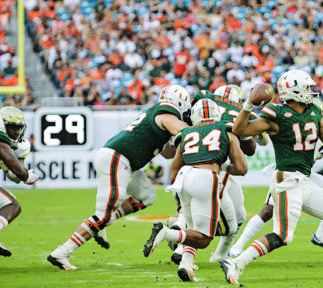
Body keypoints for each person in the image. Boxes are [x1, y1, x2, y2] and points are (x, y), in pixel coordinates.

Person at [221, 69, 323, 286]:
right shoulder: (276, 113)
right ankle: (236, 262)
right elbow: (240, 130)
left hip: (304, 181)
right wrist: (248, 105)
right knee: (282, 235)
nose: (311, 91)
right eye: (307, 87)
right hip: (287, 180)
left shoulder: (315, 112)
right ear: (295, 90)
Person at [47, 85, 191, 270]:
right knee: (102, 215)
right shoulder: (165, 115)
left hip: (125, 163)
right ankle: (62, 252)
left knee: (147, 196)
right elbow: (186, 132)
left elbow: (168, 154)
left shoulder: (157, 116)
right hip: (118, 159)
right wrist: (197, 126)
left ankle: (106, 221)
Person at [227, 99, 323, 257]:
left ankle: (321, 235)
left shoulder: (321, 126)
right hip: (288, 174)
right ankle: (238, 248)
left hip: (306, 175)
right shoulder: (291, 121)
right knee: (268, 212)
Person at [143, 98, 247, 281]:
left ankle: (186, 265)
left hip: (184, 178)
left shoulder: (187, 132)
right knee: (205, 237)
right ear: (217, 113)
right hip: (206, 177)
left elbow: (175, 166)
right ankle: (166, 233)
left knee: (193, 227)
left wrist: (179, 189)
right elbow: (242, 169)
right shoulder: (226, 130)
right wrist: (222, 167)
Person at [169, 85, 257, 265]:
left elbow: (187, 118)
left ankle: (180, 232)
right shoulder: (237, 113)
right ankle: (215, 254)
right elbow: (250, 152)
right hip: (216, 169)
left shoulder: (203, 101)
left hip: (189, 169)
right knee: (232, 221)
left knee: (194, 212)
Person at [0, 106, 39, 256]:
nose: (16, 132)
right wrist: (26, 175)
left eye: (19, 128)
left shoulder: (19, 145)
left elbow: (13, 173)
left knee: (12, 205)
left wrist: (20, 173)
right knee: (12, 205)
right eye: (12, 127)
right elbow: (7, 156)